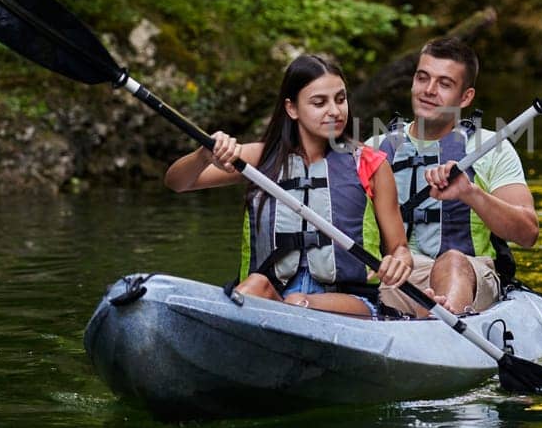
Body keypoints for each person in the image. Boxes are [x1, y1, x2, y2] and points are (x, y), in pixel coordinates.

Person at [164, 53, 413, 319]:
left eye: (340, 99)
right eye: (319, 102)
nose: (335, 111)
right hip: (274, 295)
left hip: (350, 301)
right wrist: (203, 154)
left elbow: (400, 248)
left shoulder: (370, 163)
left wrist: (398, 261)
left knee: (298, 302)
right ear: (292, 108)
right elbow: (177, 182)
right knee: (254, 286)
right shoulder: (260, 160)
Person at [364, 37, 537, 317]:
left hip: (470, 273)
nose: (429, 90)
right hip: (400, 276)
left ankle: (443, 322)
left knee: (452, 262)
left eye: (444, 84)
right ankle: (430, 314)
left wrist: (471, 194)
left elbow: (528, 233)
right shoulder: (376, 149)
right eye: (422, 78)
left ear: (466, 97)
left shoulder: (491, 148)